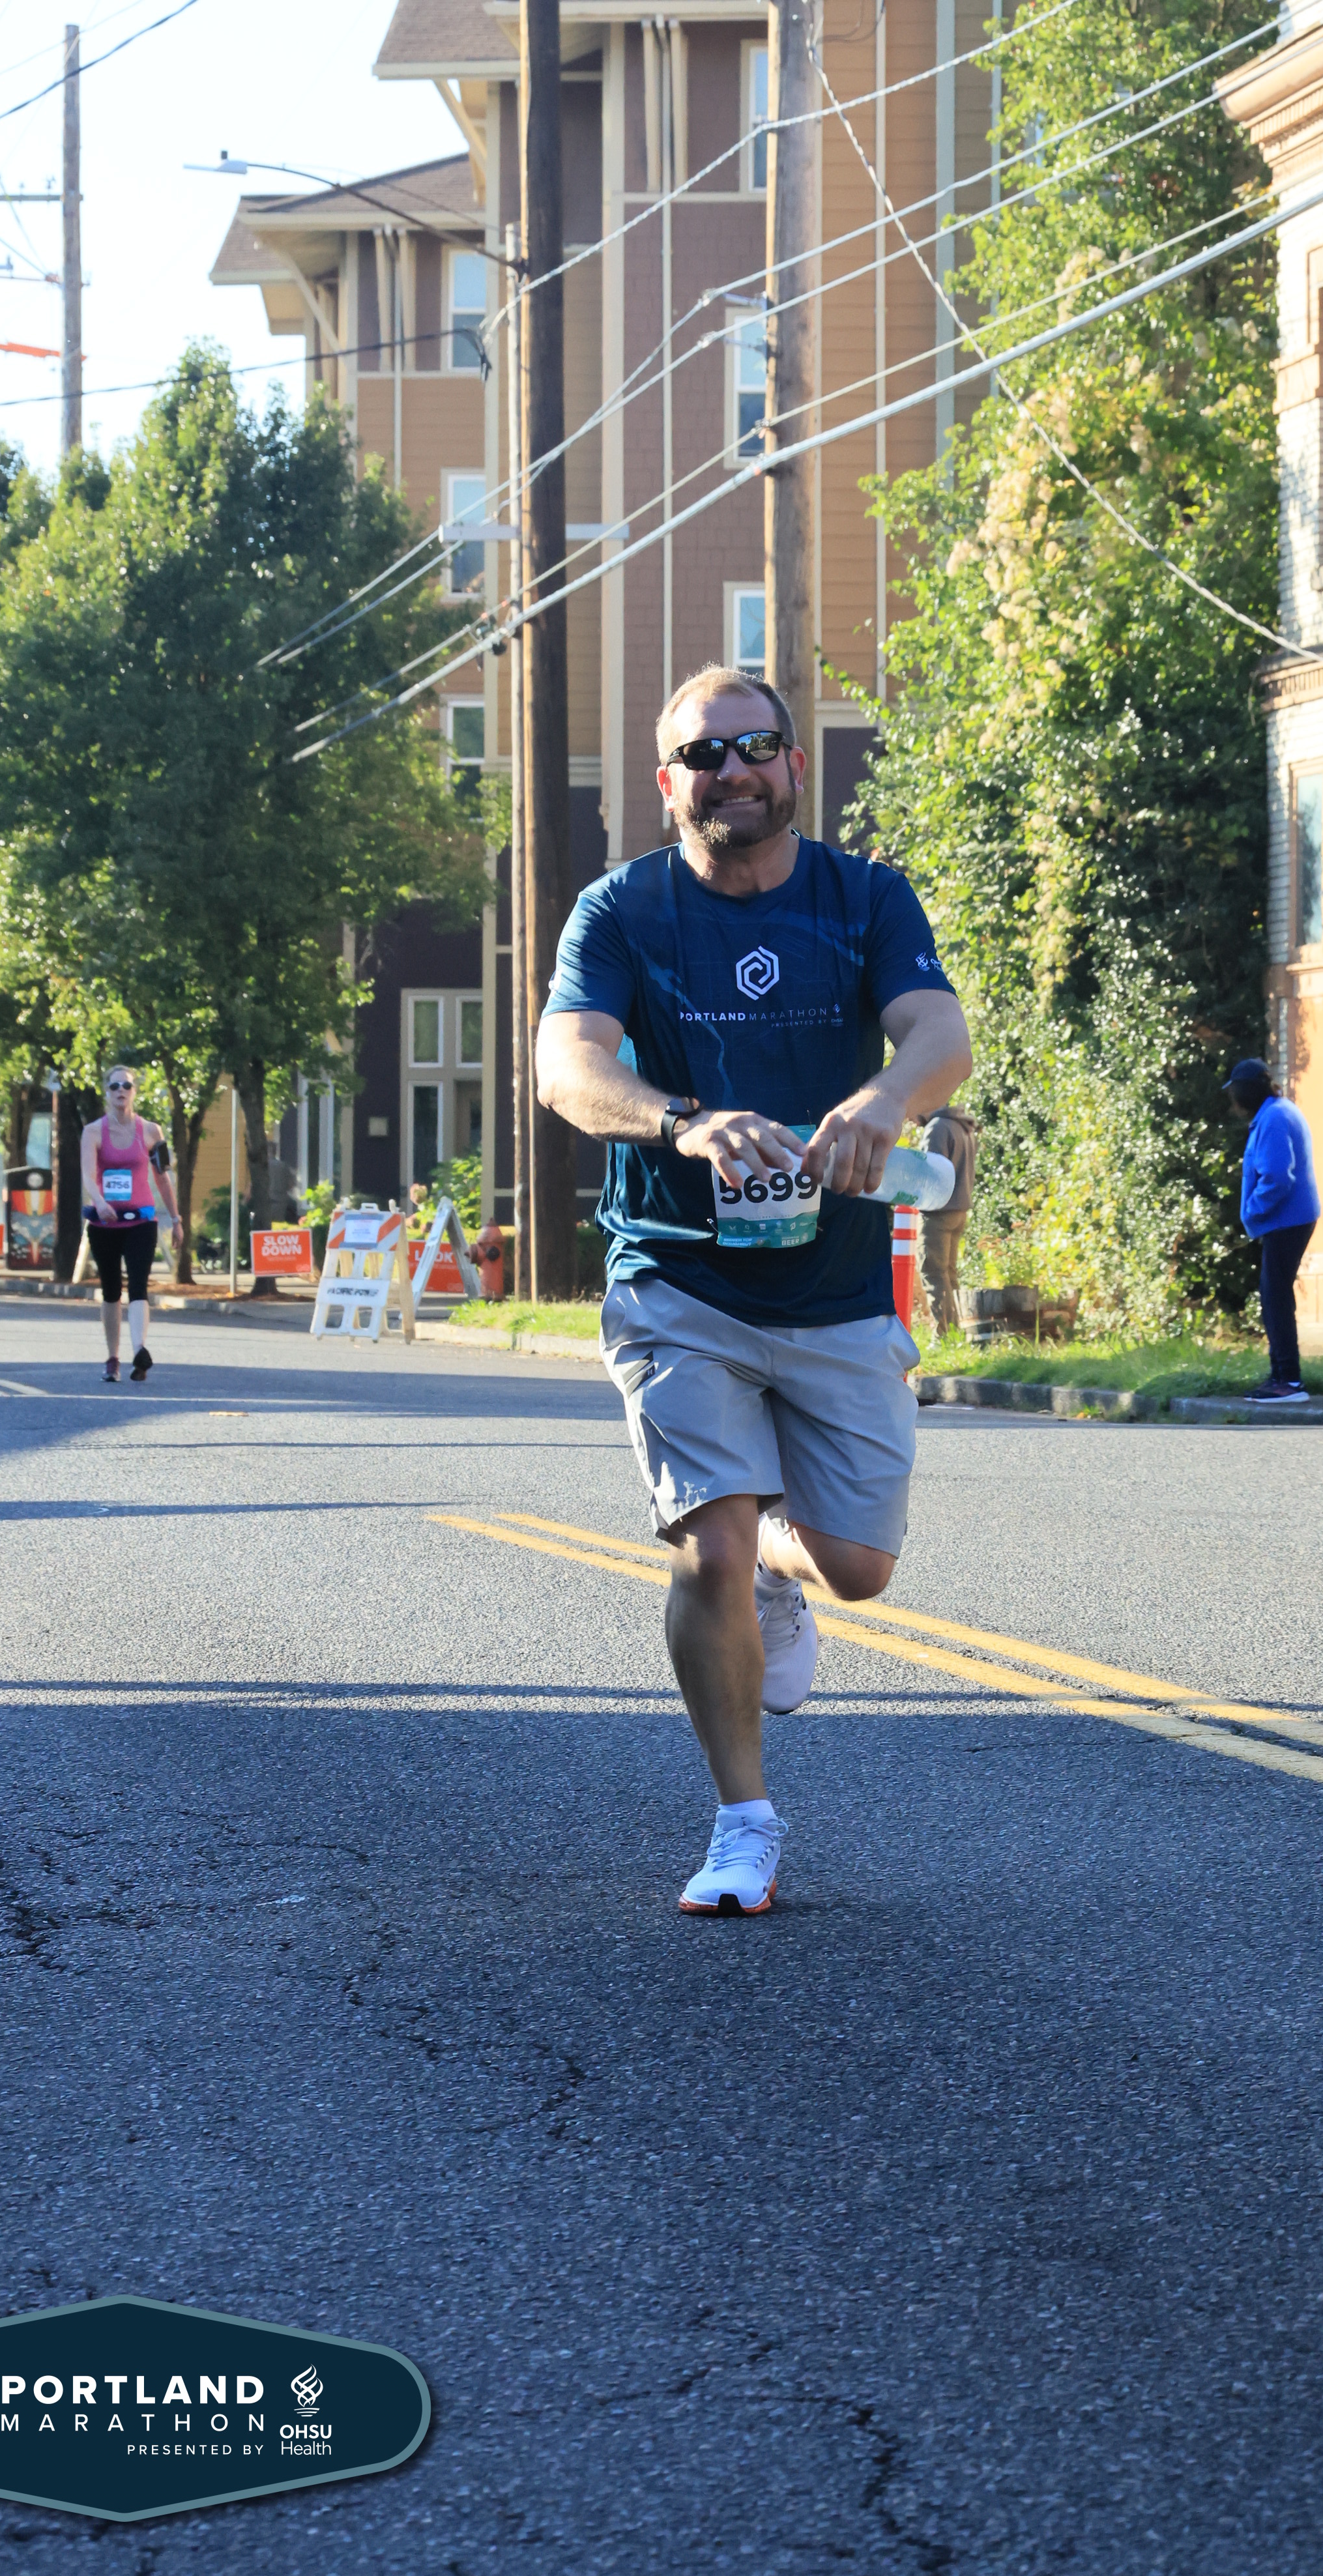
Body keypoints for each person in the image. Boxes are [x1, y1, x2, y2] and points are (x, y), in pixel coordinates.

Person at [536, 665, 972, 1918]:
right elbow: (567, 1065)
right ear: (667, 781)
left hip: (835, 1283)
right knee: (706, 1544)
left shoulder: (863, 895)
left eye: (755, 746)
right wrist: (681, 1119)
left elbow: (938, 1033)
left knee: (860, 1566)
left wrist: (884, 1097)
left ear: (793, 763)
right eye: (704, 753)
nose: (732, 769)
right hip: (677, 1274)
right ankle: (744, 1822)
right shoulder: (623, 909)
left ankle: (784, 1555)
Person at [1225, 1058, 1320, 1405]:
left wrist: (1252, 1210)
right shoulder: (1276, 1112)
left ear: (1245, 1093)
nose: (1233, 1101)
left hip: (1287, 1220)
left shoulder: (1274, 1118)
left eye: (1235, 1094)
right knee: (1275, 1297)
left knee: (1275, 1299)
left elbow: (1279, 1177)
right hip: (1289, 1219)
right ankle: (1281, 1376)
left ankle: (1289, 1381)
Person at [81, 1066, 180, 1383]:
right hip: (105, 1224)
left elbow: (162, 1178)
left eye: (126, 1085)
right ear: (107, 1092)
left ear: (134, 1091)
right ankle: (113, 1358)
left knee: (139, 1285)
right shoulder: (93, 1132)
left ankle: (140, 1350)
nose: (120, 1091)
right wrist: (99, 1202)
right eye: (114, 1086)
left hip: (141, 1221)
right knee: (111, 1291)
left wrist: (176, 1219)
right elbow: (88, 1175)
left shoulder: (151, 1131)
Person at [918, 1105, 976, 1338]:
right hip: (959, 1209)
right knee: (949, 1274)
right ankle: (957, 1330)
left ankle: (944, 1334)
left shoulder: (937, 1128)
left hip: (938, 1212)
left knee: (933, 1272)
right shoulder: (962, 1126)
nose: (910, 1118)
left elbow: (928, 1174)